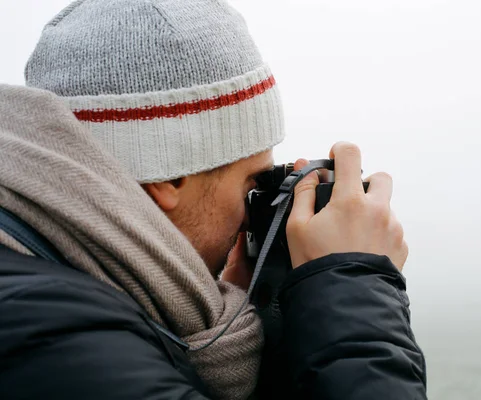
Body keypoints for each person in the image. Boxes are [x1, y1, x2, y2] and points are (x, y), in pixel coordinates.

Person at [0, 0, 427, 399]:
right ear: (171, 174)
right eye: (253, 182)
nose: (251, 217)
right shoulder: (56, 338)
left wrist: (267, 311)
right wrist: (352, 292)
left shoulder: (51, 296)